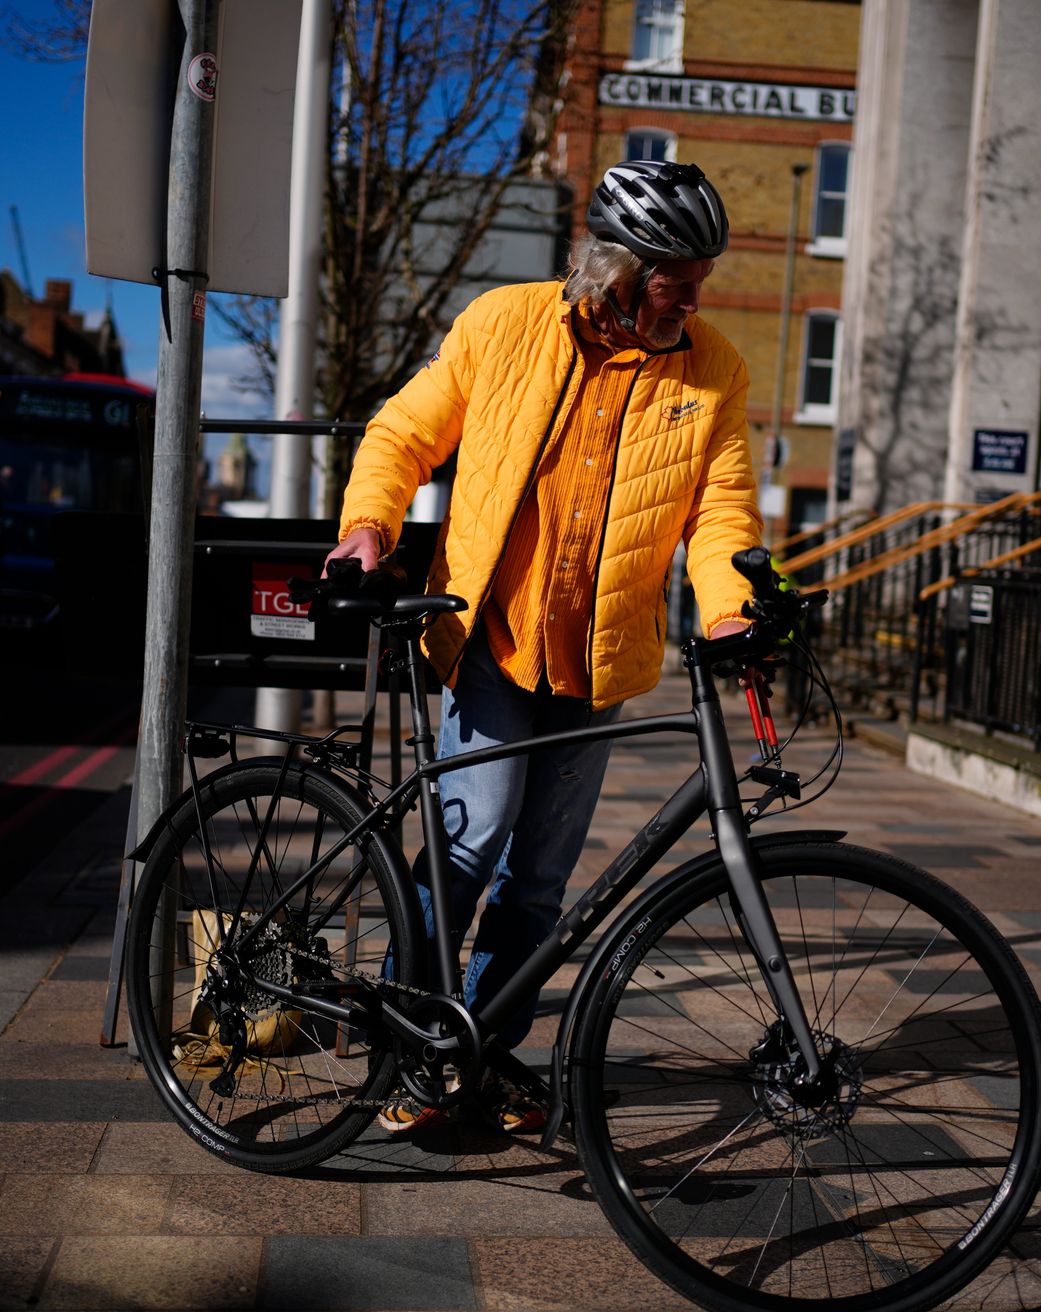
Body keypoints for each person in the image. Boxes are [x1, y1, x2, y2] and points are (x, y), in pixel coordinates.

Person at [325, 160, 764, 1134]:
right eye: (672, 278)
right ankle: (407, 1047)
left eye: (699, 278)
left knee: (544, 880)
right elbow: (404, 432)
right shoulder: (503, 324)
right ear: (615, 266)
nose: (693, 297)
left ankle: (477, 1048)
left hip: (598, 659)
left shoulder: (712, 369)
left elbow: (723, 508)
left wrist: (731, 604)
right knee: (472, 838)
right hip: (489, 636)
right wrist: (368, 525)